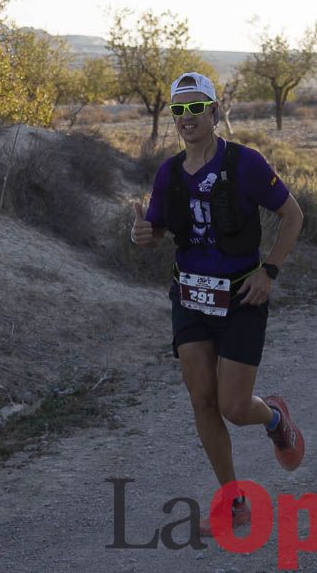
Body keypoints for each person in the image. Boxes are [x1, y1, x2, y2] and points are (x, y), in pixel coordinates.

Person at [131, 72, 305, 537]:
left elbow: (292, 215)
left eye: (195, 108)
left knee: (232, 405)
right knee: (202, 398)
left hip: (242, 296)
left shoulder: (245, 163)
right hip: (189, 295)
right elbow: (157, 232)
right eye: (179, 111)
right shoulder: (169, 172)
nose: (187, 119)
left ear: (213, 109)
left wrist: (270, 271)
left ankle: (273, 416)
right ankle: (235, 502)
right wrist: (144, 235)